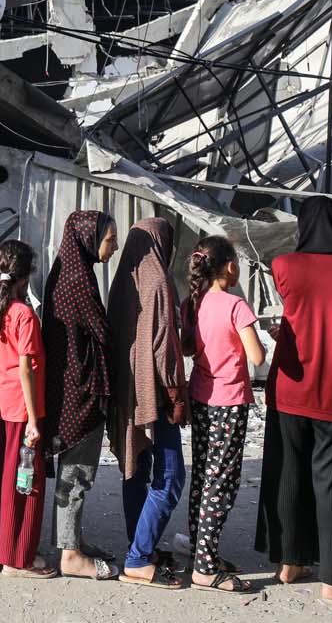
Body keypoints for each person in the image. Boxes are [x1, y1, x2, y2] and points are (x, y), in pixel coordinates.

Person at [255, 196, 332, 605]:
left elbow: (298, 313)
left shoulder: (284, 265)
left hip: (291, 386)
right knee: (331, 482)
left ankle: (288, 563)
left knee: (288, 473)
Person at [106, 217, 187, 590]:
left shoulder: (125, 278)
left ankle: (140, 546)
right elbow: (164, 346)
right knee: (170, 477)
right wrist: (175, 391)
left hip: (128, 392)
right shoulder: (159, 281)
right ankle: (138, 558)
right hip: (156, 391)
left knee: (135, 465)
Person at [184, 235, 263, 594]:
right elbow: (257, 356)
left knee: (203, 477)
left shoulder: (195, 302)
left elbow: (189, 347)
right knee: (222, 483)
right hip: (229, 402)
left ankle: (201, 554)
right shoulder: (236, 306)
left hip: (201, 397)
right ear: (230, 266)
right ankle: (204, 567)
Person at [41, 210, 118, 580]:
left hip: (69, 385)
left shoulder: (66, 270)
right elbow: (102, 331)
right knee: (77, 471)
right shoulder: (79, 280)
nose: (114, 247)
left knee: (74, 469)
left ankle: (71, 540)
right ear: (89, 239)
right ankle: (70, 554)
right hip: (81, 390)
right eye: (109, 240)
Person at [0, 241, 53, 579]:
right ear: (26, 276)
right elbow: (27, 368)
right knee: (26, 483)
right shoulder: (23, 314)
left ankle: (7, 548)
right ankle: (17, 558)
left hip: (0, 401)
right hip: (22, 409)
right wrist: (34, 419)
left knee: (6, 479)